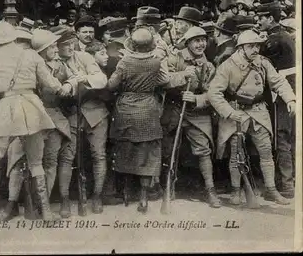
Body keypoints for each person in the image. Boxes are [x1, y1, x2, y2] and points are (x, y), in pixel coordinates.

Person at [0, 21, 72, 238]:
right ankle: (46, 213)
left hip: (5, 110)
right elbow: (52, 85)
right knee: (36, 163)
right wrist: (67, 86)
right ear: (15, 37)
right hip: (32, 108)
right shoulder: (31, 55)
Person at [208, 29, 296, 206]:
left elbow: (278, 81)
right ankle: (235, 191)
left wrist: (290, 98)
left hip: (258, 111)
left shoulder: (262, 63)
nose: (255, 49)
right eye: (251, 46)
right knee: (235, 154)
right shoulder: (228, 65)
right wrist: (229, 112)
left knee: (266, 152)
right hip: (235, 112)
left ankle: (271, 190)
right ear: (241, 48)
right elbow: (214, 93)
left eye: (257, 46)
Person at [107, 28, 169, 213]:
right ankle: (143, 198)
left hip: (126, 110)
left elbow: (111, 85)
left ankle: (126, 193)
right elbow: (165, 80)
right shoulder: (156, 62)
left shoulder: (124, 62)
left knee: (125, 150)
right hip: (148, 110)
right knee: (147, 153)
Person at [161, 27, 221, 208]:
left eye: (203, 40)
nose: (201, 44)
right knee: (169, 149)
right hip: (174, 110)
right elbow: (162, 80)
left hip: (196, 113)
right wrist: (182, 76)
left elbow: (212, 93)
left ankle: (210, 190)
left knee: (203, 150)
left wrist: (196, 98)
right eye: (196, 40)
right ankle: (167, 187)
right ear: (187, 42)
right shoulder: (173, 58)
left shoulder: (208, 65)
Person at [56, 28, 109, 218]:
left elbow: (101, 79)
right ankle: (64, 199)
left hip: (95, 112)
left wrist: (85, 78)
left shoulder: (84, 57)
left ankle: (97, 195)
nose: (70, 47)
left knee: (99, 155)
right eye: (64, 44)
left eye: (71, 43)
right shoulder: (53, 62)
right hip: (70, 113)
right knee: (67, 157)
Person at [256, 2, 296, 199]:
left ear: (270, 18)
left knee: (280, 137)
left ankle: (286, 185)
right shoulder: (286, 35)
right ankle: (289, 181)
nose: (259, 20)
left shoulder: (273, 40)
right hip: (290, 90)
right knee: (289, 136)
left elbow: (260, 61)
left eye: (261, 17)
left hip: (280, 93)